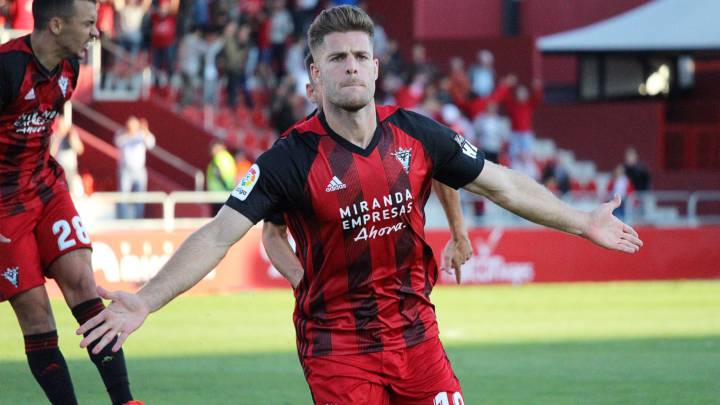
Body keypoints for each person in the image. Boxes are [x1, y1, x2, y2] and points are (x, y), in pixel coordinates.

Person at [78, 6, 642, 404]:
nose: (351, 65)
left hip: (417, 336)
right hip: (337, 347)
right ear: (314, 76)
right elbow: (218, 235)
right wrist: (146, 301)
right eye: (337, 58)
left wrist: (582, 220)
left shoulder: (417, 135)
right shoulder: (288, 159)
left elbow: (503, 184)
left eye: (360, 56)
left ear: (375, 68)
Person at [0, 1, 141, 404]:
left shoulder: (70, 70)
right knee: (36, 313)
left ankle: (125, 400)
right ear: (57, 24)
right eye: (88, 24)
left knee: (82, 281)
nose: (96, 33)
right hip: (3, 206)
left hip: (45, 188)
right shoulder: (7, 69)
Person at [263, 53, 473, 287]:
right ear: (311, 91)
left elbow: (441, 161)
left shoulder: (397, 129)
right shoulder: (295, 155)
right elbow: (273, 232)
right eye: (327, 82)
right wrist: (303, 283)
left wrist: (458, 233)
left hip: (410, 306)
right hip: (335, 315)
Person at [114, 115, 156, 219]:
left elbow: (151, 143)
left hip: (139, 170)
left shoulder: (142, 134)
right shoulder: (122, 134)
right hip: (125, 170)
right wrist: (129, 133)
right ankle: (122, 218)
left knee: (140, 196)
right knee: (123, 195)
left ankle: (139, 218)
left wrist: (145, 130)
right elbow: (118, 142)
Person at [206, 140, 237, 215]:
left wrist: (228, 187)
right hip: (222, 193)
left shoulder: (219, 157)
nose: (212, 150)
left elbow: (221, 174)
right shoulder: (226, 157)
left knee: (218, 218)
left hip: (220, 194)